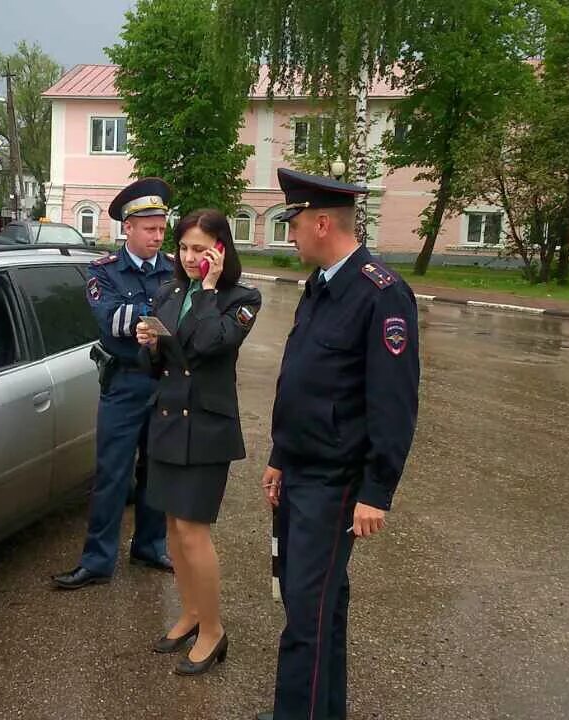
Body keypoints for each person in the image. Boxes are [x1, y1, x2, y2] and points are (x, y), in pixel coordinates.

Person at [255, 168, 421, 720]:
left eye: (295, 223)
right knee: (322, 608)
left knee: (306, 614)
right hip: (301, 471)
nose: (291, 233)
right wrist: (280, 455)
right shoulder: (322, 284)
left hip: (336, 480)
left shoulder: (381, 293)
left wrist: (378, 489)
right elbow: (301, 379)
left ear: (323, 223)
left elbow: (393, 403)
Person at [135, 209, 261, 676]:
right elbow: (160, 365)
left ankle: (213, 629)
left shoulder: (241, 298)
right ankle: (190, 612)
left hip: (206, 429)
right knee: (172, 528)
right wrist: (148, 343)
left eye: (200, 250)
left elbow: (210, 344)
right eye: (184, 248)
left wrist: (208, 289)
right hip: (167, 422)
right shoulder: (169, 290)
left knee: (194, 531)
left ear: (220, 250)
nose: (190, 258)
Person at [51, 178, 175, 590]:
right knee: (112, 475)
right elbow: (112, 322)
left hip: (161, 384)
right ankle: (98, 560)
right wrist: (159, 313)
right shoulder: (102, 270)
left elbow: (179, 320)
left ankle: (150, 545)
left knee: (156, 470)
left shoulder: (174, 269)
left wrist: (144, 315)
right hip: (122, 386)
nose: (158, 236)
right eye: (150, 229)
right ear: (128, 228)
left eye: (162, 228)